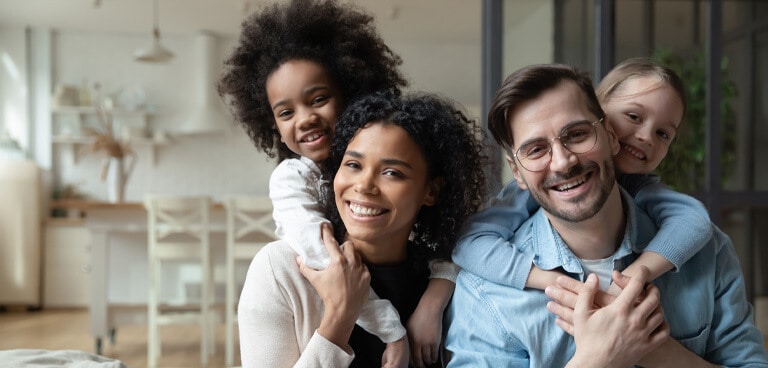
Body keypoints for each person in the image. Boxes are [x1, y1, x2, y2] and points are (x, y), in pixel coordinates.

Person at [444, 64, 768, 367]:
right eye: (536, 150)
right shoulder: (486, 292)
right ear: (516, 171)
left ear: (610, 135)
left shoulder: (705, 250)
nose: (562, 162)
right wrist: (597, 359)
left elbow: (694, 221)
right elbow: (468, 242)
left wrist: (659, 350)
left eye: (577, 134)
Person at [217, 1, 460, 366]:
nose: (305, 119)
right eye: (286, 112)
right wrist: (360, 322)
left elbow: (472, 233)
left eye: (319, 99)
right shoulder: (291, 191)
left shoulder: (430, 264)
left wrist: (438, 290)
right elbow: (326, 258)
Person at [236, 91, 487, 367]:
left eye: (392, 172)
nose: (364, 186)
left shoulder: (447, 283)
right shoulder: (279, 270)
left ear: (431, 190)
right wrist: (339, 319)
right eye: (353, 165)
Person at [453, 57, 712, 294]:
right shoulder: (529, 189)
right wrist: (550, 281)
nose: (646, 137)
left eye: (663, 134)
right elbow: (469, 242)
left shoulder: (642, 188)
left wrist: (636, 274)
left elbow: (694, 221)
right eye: (634, 116)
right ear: (602, 117)